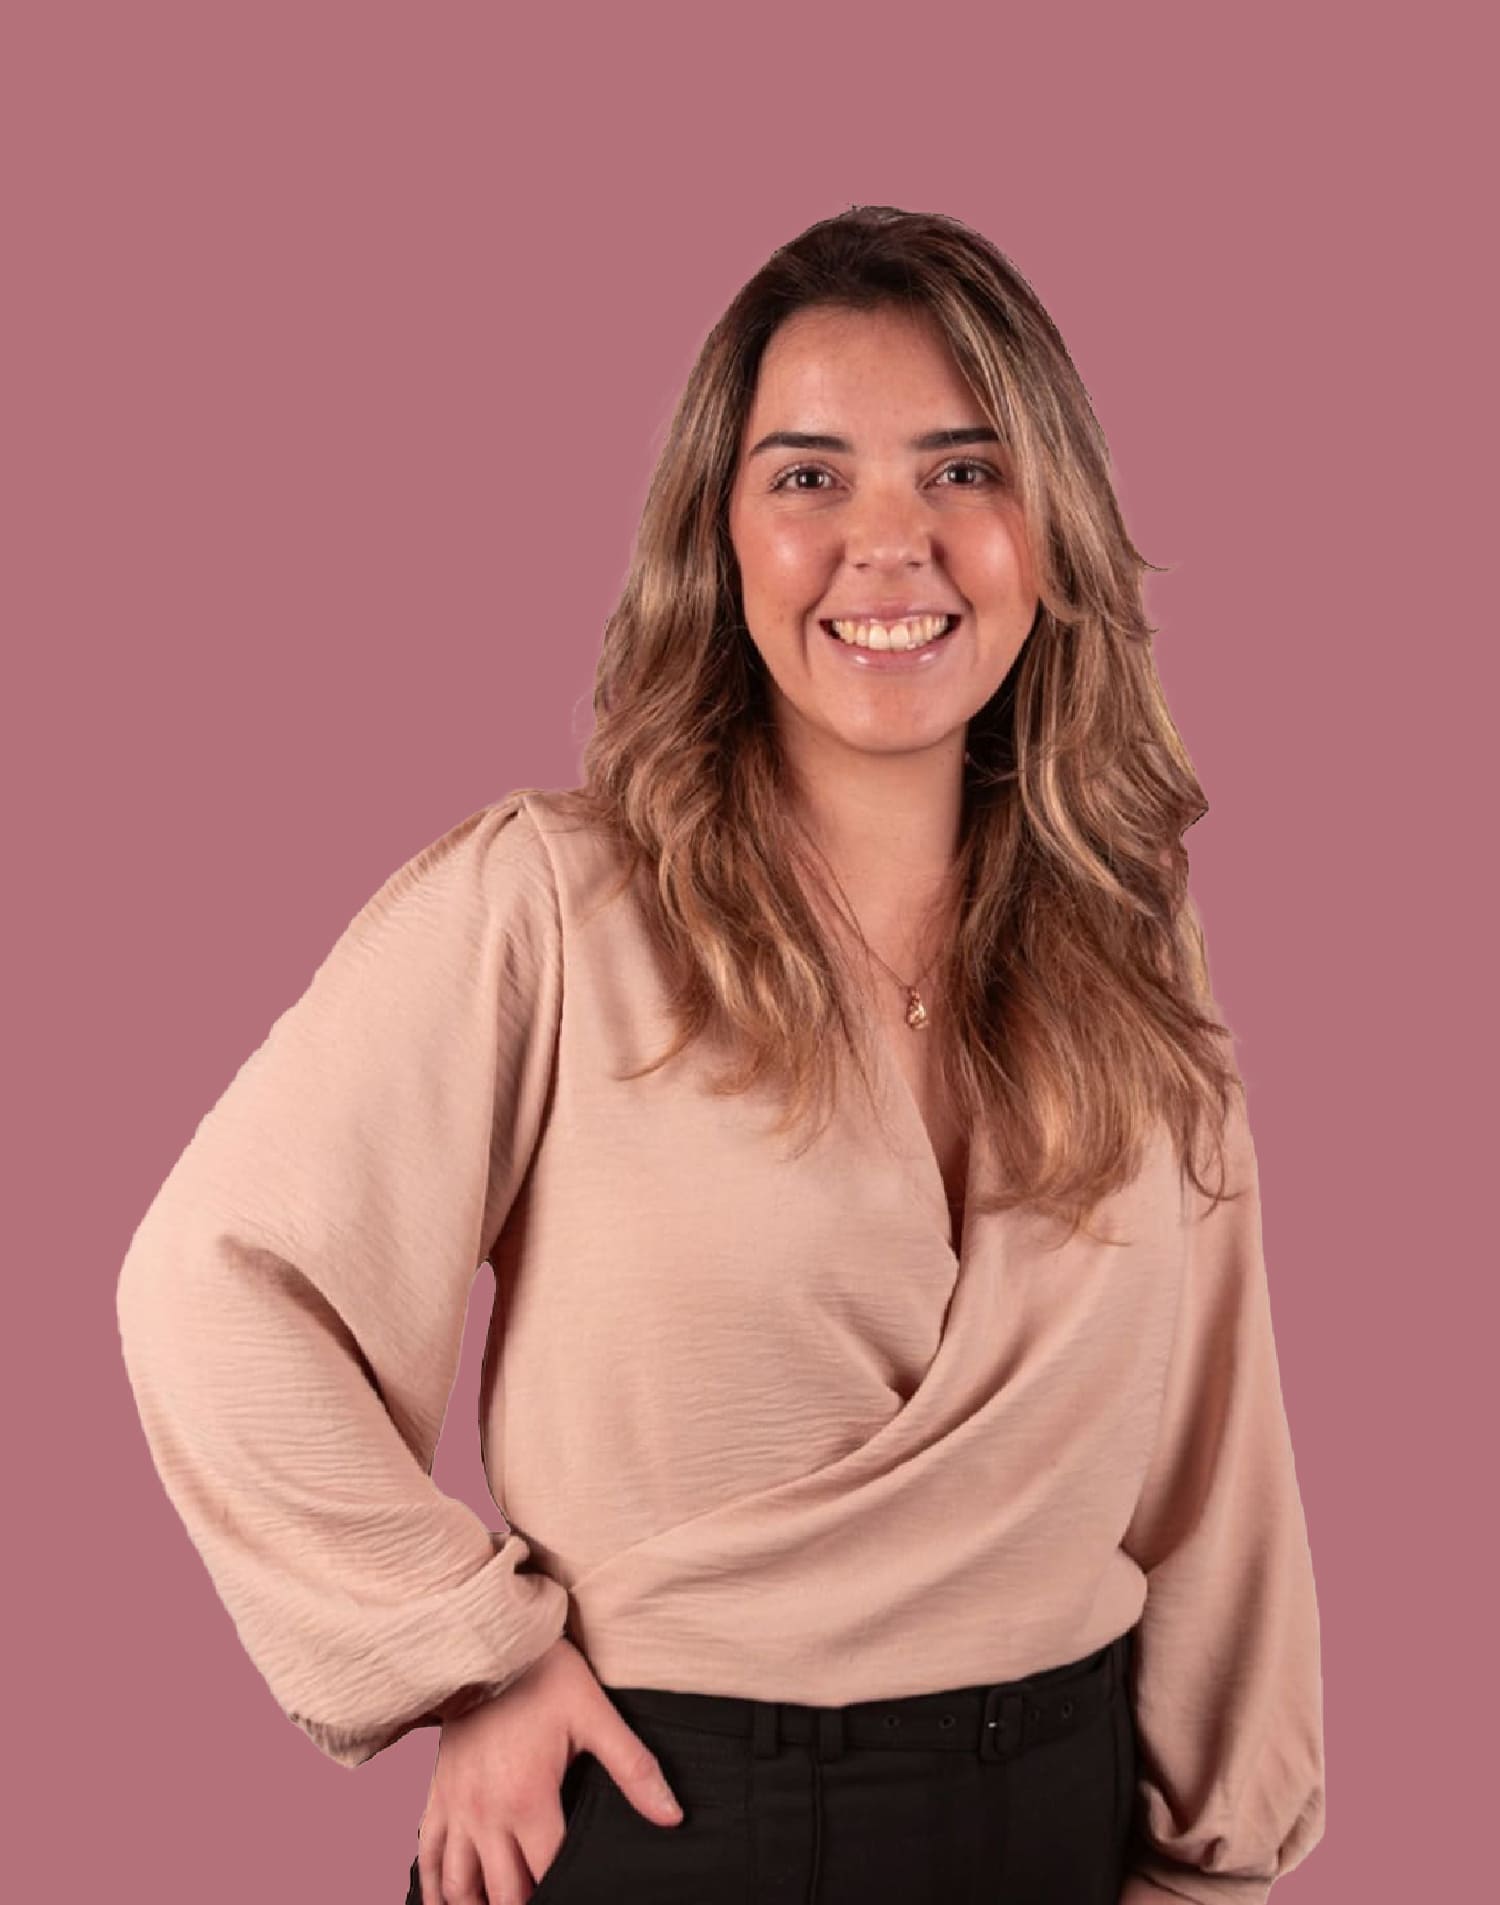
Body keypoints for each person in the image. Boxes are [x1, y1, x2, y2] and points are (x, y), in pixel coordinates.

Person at [115, 205, 1326, 1904]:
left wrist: (1212, 1865)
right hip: (667, 1823)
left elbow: (1215, 1463)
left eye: (964, 469)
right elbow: (216, 1283)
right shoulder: (551, 909)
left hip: (1060, 1818)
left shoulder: (1128, 949)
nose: (889, 542)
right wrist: (470, 1652)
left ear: (1049, 532)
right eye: (810, 475)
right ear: (720, 535)